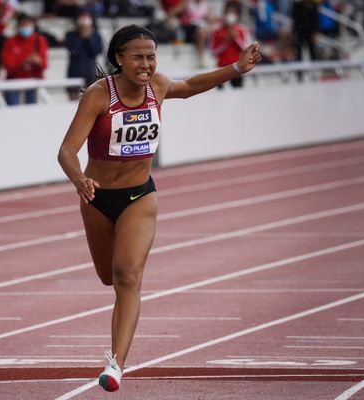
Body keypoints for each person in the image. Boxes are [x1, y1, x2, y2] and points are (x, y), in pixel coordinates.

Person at [57, 24, 260, 392]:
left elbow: (191, 86)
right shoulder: (99, 96)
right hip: (96, 198)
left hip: (140, 196)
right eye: (138, 56)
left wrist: (235, 69)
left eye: (151, 56)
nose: (147, 64)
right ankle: (117, 352)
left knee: (127, 277)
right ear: (119, 58)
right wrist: (78, 179)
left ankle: (115, 364)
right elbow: (66, 151)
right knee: (108, 276)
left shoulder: (159, 87)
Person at [0, 12, 48, 105]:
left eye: (28, 24)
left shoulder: (39, 40)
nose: (26, 27)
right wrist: (24, 62)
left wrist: (38, 62)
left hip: (33, 80)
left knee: (32, 112)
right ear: (18, 26)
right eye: (23, 24)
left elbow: (44, 64)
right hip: (14, 82)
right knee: (12, 113)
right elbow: (8, 65)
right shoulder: (11, 42)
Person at [64, 10, 103, 100]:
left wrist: (88, 38)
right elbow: (74, 51)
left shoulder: (95, 35)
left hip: (90, 72)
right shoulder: (71, 35)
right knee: (73, 99)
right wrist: (82, 36)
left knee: (91, 100)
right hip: (74, 72)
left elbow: (96, 51)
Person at [210, 1, 250, 88]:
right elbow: (213, 53)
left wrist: (236, 38)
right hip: (221, 69)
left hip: (237, 68)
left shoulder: (241, 29)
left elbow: (246, 49)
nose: (230, 15)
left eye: (233, 13)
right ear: (224, 15)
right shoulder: (216, 31)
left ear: (237, 15)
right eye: (228, 13)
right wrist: (226, 42)